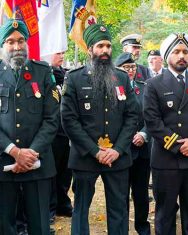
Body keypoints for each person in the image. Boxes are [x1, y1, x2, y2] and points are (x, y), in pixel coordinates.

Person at [61, 24, 138, 235]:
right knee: (81, 209)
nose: (105, 50)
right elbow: (69, 119)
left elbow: (132, 115)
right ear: (90, 50)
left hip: (118, 156)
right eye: (100, 46)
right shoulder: (74, 78)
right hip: (86, 156)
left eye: (108, 46)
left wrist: (118, 149)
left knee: (119, 209)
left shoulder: (122, 78)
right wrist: (95, 151)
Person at [143, 32, 188, 235]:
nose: (181, 56)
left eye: (185, 51)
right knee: (165, 214)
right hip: (166, 160)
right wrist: (179, 145)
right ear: (167, 56)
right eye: (176, 51)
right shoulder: (153, 84)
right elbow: (152, 122)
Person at [0, 19, 59, 235]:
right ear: (2, 45)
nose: (17, 47)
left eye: (21, 40)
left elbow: (52, 119)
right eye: (10, 41)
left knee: (41, 226)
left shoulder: (43, 72)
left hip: (38, 164)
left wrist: (30, 155)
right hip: (4, 163)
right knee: (4, 226)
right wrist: (14, 152)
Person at [115, 52, 151, 235]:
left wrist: (144, 134)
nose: (130, 70)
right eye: (126, 67)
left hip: (143, 150)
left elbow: (153, 116)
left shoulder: (145, 88)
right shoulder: (111, 88)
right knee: (121, 194)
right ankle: (121, 229)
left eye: (133, 67)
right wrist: (127, 138)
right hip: (122, 150)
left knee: (141, 194)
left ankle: (143, 228)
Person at [48, 51, 73, 219]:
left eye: (63, 53)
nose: (62, 55)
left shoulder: (65, 74)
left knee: (65, 171)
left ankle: (62, 204)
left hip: (66, 132)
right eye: (58, 53)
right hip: (52, 133)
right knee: (52, 172)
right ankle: (49, 207)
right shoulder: (44, 74)